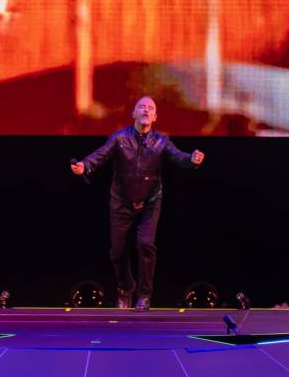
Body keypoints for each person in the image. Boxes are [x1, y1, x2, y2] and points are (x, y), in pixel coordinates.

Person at [70, 97, 204, 310]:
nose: (146, 110)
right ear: (133, 113)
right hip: (121, 201)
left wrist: (192, 160)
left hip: (150, 201)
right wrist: (84, 166)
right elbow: (100, 155)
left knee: (145, 244)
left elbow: (179, 157)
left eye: (151, 108)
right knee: (118, 250)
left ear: (155, 116)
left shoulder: (162, 141)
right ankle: (125, 289)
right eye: (142, 107)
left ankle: (145, 295)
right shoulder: (119, 138)